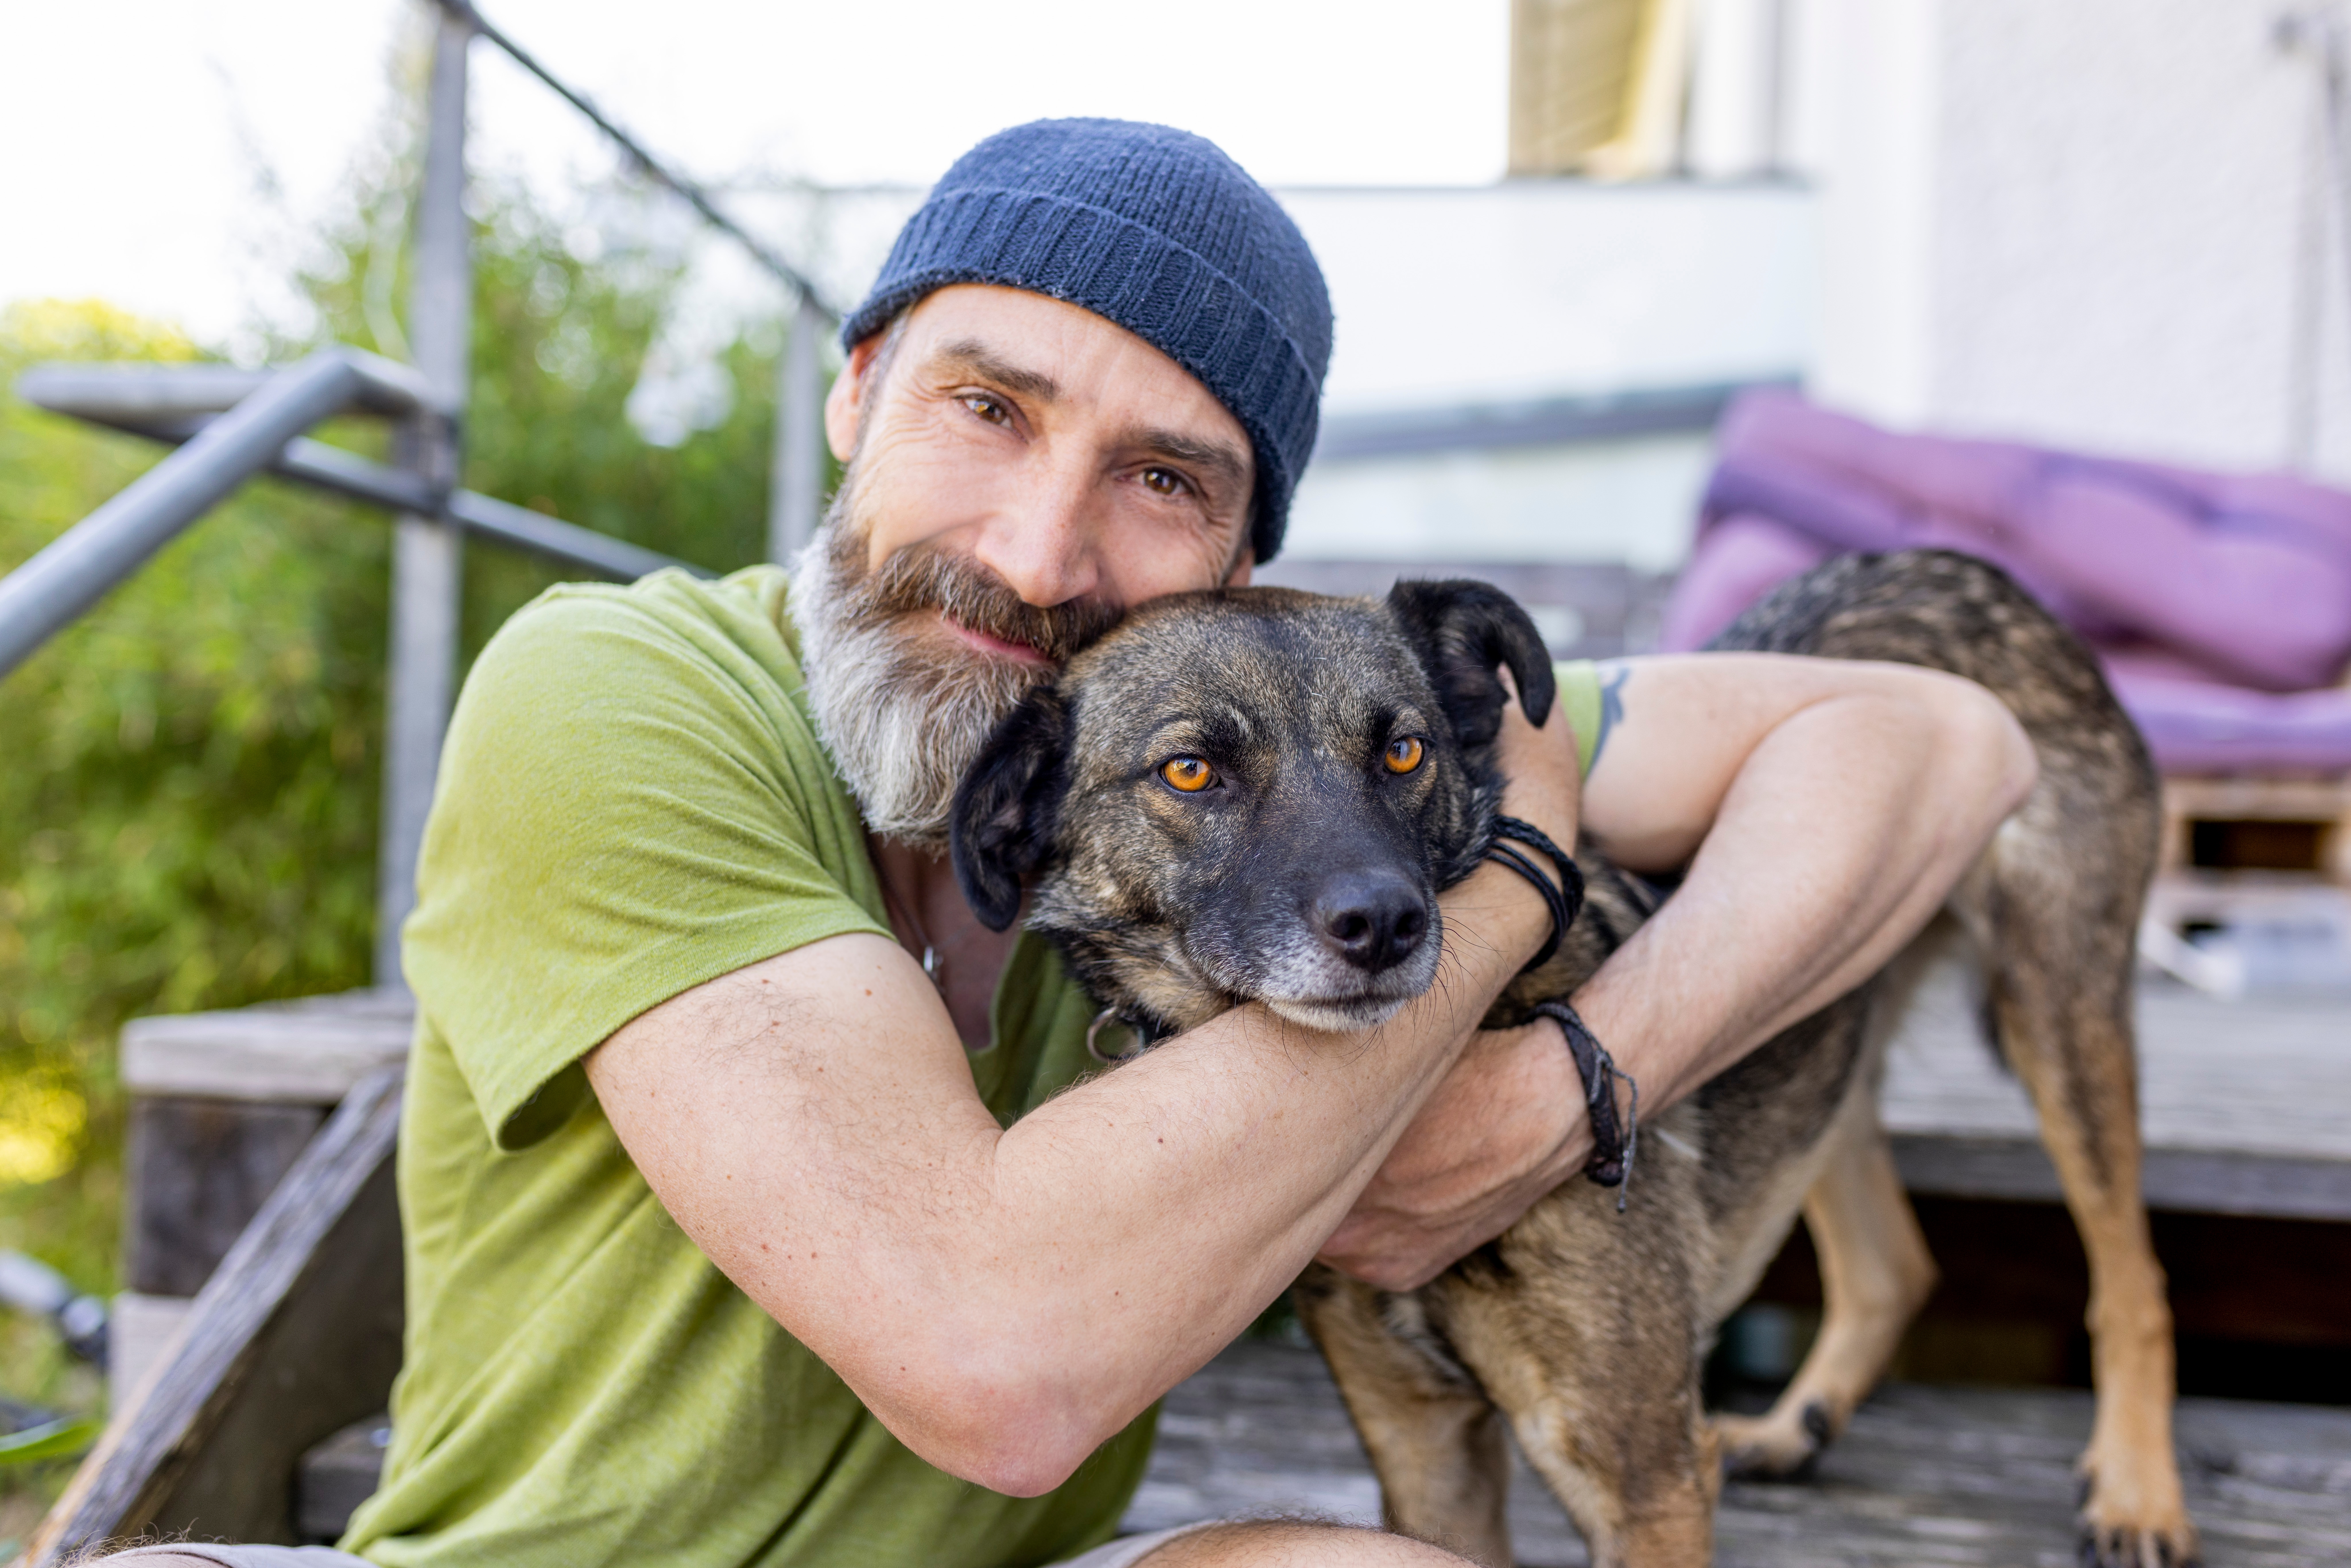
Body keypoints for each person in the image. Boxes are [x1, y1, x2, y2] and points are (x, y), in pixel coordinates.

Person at [107, 119, 2033, 1568]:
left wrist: (1578, 1081)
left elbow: (1947, 740)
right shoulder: (614, 689)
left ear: (1241, 567)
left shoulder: (1228, 731)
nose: (1038, 556)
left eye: (1161, 477)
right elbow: (997, 1361)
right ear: (856, 389)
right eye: (987, 408)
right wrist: (1523, 863)